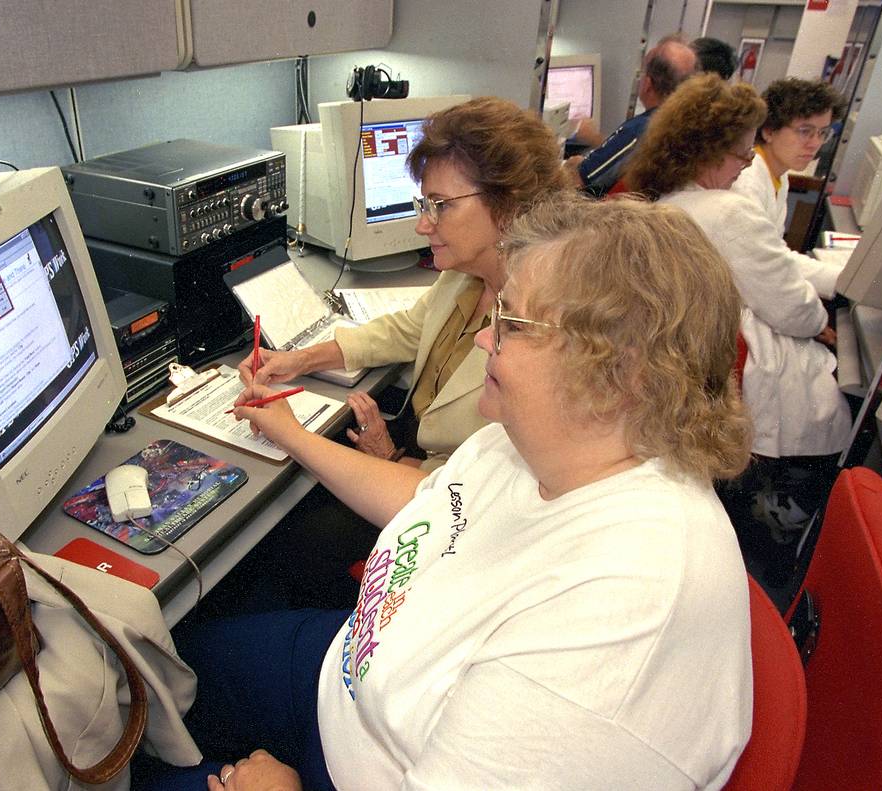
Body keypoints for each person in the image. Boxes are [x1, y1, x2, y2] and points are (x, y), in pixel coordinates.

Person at [139, 194, 755, 791]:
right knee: (149, 679)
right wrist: (293, 436)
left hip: (359, 761)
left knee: (136, 748)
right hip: (354, 671)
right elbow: (433, 503)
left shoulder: (620, 613)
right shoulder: (541, 442)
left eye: (510, 323)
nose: (485, 338)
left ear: (621, 374)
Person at [241, 96, 569, 472]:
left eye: (441, 205)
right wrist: (300, 359)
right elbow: (411, 329)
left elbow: (478, 489)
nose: (422, 225)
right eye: (424, 204)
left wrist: (389, 457)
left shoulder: (543, 329)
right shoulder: (467, 273)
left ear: (509, 206)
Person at [625, 73, 853, 536]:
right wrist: (821, 318)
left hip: (683, 361)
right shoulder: (728, 209)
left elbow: (772, 264)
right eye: (742, 152)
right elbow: (791, 309)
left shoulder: (671, 200)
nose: (747, 162)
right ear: (707, 151)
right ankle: (783, 513)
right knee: (835, 386)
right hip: (728, 359)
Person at [731, 77, 847, 297]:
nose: (815, 143)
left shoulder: (778, 176)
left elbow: (776, 256)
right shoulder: (747, 181)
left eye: (822, 133)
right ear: (769, 131)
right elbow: (762, 271)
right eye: (805, 131)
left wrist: (843, 280)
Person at [570, 35, 697, 197]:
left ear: (647, 84)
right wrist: (597, 142)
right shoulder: (684, 124)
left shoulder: (642, 128)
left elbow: (581, 181)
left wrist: (570, 167)